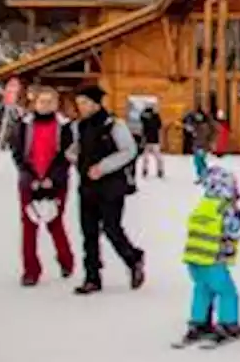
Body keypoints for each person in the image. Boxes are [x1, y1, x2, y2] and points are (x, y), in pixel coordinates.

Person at [70, 85, 146, 294]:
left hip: (111, 186)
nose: (81, 108)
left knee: (111, 228)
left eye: (85, 103)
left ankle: (133, 258)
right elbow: (76, 148)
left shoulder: (114, 124)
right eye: (79, 104)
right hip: (87, 186)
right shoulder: (79, 126)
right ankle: (92, 276)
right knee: (88, 232)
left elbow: (129, 151)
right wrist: (74, 156)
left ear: (96, 104)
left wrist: (103, 167)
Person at [177, 166, 240, 345]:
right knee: (227, 292)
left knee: (202, 290)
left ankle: (199, 322)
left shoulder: (204, 204)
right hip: (213, 260)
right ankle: (228, 323)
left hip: (194, 259)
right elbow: (234, 231)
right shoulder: (223, 207)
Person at [9, 86, 75, 286]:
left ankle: (66, 260)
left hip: (56, 181)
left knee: (54, 222)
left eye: (50, 101)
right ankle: (31, 270)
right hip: (30, 180)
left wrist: (52, 178)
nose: (45, 105)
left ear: (56, 104)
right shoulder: (24, 125)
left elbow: (67, 155)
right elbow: (18, 153)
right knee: (29, 225)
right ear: (34, 103)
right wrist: (30, 175)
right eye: (42, 101)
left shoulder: (65, 126)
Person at [139, 106, 164, 179]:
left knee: (158, 157)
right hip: (147, 141)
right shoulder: (145, 119)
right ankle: (145, 170)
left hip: (154, 141)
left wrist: (155, 115)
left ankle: (160, 170)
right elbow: (141, 117)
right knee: (145, 158)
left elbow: (159, 125)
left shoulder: (155, 118)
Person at [190, 108, 213, 178]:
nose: (197, 117)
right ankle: (202, 175)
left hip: (202, 146)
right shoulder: (196, 125)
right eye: (196, 115)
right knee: (198, 161)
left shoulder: (204, 125)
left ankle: (203, 175)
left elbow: (205, 135)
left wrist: (195, 132)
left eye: (199, 116)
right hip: (197, 146)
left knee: (199, 161)